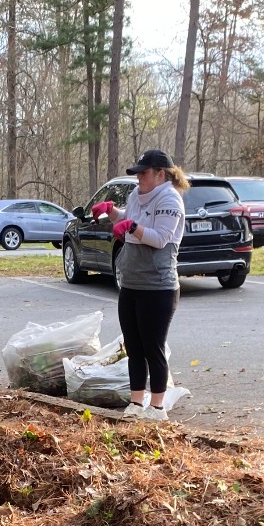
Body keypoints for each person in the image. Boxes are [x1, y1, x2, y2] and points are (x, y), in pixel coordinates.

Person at [93, 148, 187, 422]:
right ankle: (136, 402)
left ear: (160, 174)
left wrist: (131, 228)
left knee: (152, 347)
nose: (139, 178)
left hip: (158, 286)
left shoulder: (170, 199)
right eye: (137, 174)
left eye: (143, 173)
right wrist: (112, 212)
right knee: (133, 347)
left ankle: (157, 407)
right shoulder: (137, 195)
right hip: (131, 282)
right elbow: (127, 219)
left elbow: (160, 238)